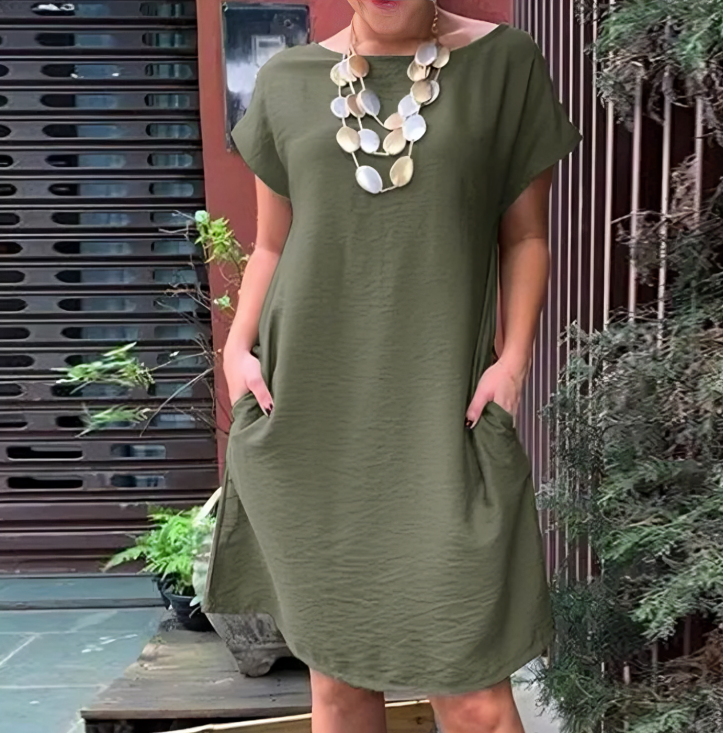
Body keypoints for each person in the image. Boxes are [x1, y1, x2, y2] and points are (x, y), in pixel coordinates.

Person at [203, 2, 581, 732]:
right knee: (339, 685)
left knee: (473, 697)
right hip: (310, 415)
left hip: (442, 414)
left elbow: (526, 236)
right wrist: (237, 347)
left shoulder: (503, 64)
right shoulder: (286, 80)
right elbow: (273, 242)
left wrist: (513, 360)